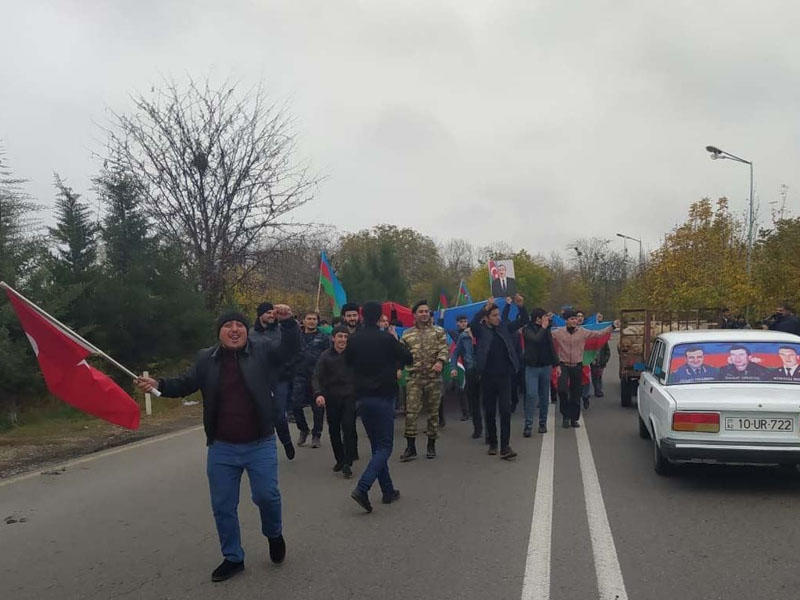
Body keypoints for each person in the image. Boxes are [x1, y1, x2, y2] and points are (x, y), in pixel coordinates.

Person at [134, 308, 299, 582]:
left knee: (266, 496)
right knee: (223, 506)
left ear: (247, 331)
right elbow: (183, 384)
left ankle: (274, 534)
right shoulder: (205, 359)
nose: (234, 330)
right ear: (219, 332)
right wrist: (157, 385)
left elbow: (289, 350)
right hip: (222, 447)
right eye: (228, 326)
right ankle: (233, 557)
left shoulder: (263, 351)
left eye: (240, 325)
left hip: (260, 443)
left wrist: (290, 323)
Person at [345, 301, 413, 512]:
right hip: (384, 397)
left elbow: (347, 361)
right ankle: (363, 487)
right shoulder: (386, 339)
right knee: (385, 447)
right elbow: (408, 358)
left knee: (377, 446)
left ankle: (388, 490)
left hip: (363, 399)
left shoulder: (354, 339)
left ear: (363, 316)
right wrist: (394, 340)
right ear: (379, 317)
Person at [470, 295, 528, 459]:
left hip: (504, 377)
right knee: (489, 411)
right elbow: (473, 322)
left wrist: (521, 306)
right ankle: (493, 442)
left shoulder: (504, 327)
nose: (497, 318)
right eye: (494, 316)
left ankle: (505, 446)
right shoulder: (480, 330)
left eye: (498, 315)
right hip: (487, 377)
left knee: (505, 411)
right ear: (487, 318)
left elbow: (523, 320)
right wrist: (485, 308)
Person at [399, 300, 450, 461]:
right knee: (411, 413)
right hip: (414, 379)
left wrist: (440, 362)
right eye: (421, 311)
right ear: (414, 314)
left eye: (426, 311)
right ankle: (411, 447)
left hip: (433, 378)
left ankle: (431, 445)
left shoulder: (438, 331)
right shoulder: (407, 334)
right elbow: (401, 353)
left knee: (433, 413)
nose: (424, 314)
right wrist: (399, 367)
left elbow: (444, 348)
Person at [551, 310, 616, 428]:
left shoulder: (583, 332)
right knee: (562, 390)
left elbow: (599, 333)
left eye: (575, 319)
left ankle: (573, 418)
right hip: (563, 365)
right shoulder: (558, 332)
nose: (574, 321)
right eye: (571, 319)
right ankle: (565, 415)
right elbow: (545, 335)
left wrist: (612, 326)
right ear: (566, 321)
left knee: (576, 393)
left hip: (577, 365)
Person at [250, 302, 295, 459]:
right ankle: (264, 450)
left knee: (278, 414)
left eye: (272, 312)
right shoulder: (251, 335)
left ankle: (287, 442)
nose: (271, 315)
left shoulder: (281, 331)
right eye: (267, 312)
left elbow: (293, 348)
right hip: (259, 380)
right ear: (260, 314)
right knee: (259, 415)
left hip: (280, 379)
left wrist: (287, 366)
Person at [313, 325, 357, 479]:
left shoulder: (353, 355)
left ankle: (348, 462)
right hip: (332, 398)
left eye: (345, 337)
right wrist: (318, 394)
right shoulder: (325, 356)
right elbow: (317, 376)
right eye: (340, 336)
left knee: (348, 427)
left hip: (350, 397)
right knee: (334, 429)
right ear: (333, 338)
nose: (343, 340)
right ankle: (339, 458)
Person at [292, 312, 331, 448]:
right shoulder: (297, 337)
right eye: (309, 319)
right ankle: (303, 429)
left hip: (318, 375)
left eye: (314, 319)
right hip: (300, 374)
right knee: (295, 405)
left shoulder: (324, 338)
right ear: (303, 321)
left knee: (318, 407)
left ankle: (316, 434)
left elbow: (328, 355)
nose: (312, 321)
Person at [521, 308, 559, 435]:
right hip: (532, 367)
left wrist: (556, 364)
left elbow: (551, 346)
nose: (547, 319)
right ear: (538, 318)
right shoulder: (527, 329)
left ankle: (542, 423)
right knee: (531, 395)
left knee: (544, 396)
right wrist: (543, 327)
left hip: (545, 366)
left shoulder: (546, 330)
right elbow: (535, 339)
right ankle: (528, 425)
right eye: (544, 317)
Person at [451, 314, 482, 437]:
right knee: (473, 401)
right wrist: (453, 367)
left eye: (465, 321)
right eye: (461, 321)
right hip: (470, 370)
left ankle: (490, 431)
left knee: (486, 402)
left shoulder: (481, 334)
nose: (464, 324)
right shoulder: (462, 337)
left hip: (483, 370)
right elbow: (455, 353)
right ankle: (477, 428)